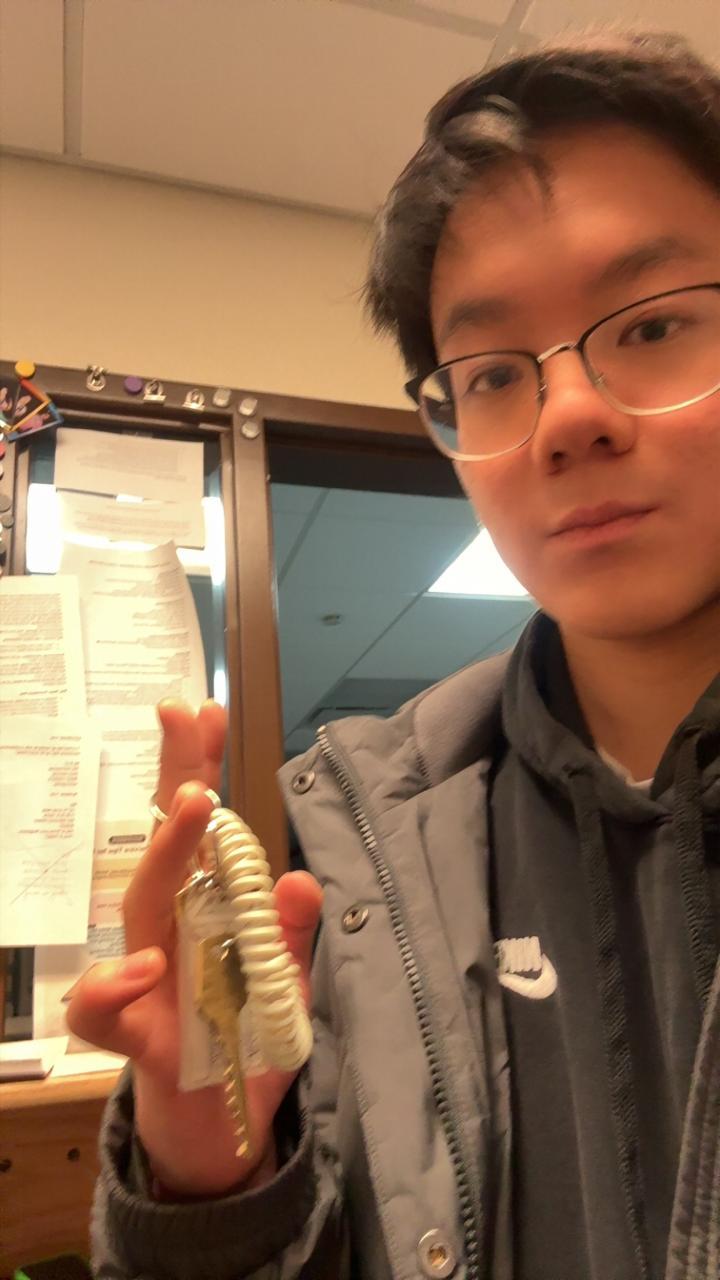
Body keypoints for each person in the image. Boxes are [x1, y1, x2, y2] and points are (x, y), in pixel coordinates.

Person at [68, 29, 720, 1280]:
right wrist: (209, 1176)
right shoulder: (362, 844)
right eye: (493, 372)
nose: (567, 417)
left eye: (649, 328)